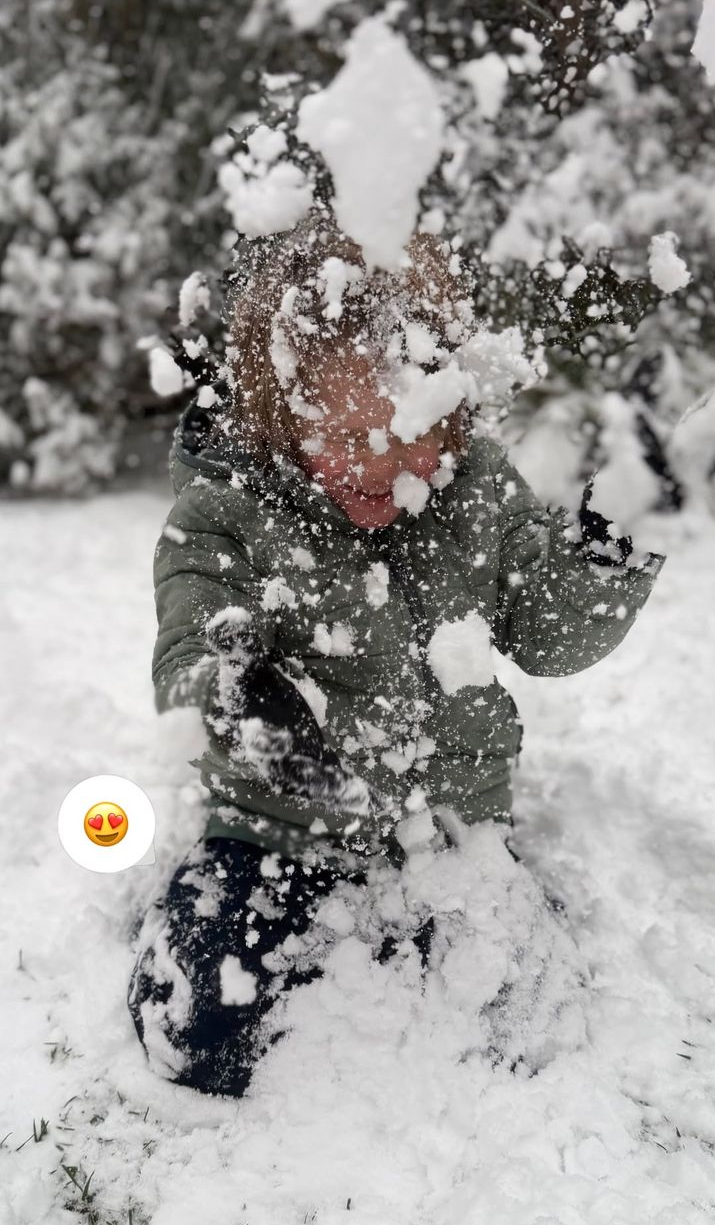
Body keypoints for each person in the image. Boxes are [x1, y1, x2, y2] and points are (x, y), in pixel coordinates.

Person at [128, 213, 665, 1096]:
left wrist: (609, 547)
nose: (380, 466)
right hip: (280, 827)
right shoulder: (226, 515)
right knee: (195, 1028)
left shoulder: (475, 487)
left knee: (530, 1024)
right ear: (281, 416)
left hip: (452, 826)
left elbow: (546, 634)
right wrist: (237, 688)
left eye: (411, 434)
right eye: (345, 439)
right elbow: (189, 639)